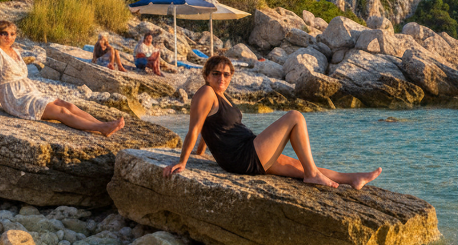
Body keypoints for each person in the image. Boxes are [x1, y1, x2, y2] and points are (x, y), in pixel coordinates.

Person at [163, 55, 381, 189]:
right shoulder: (206, 92)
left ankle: (353, 178)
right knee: (295, 116)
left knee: (303, 166)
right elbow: (194, 128)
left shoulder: (222, 97)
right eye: (217, 73)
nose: (222, 78)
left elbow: (209, 128)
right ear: (207, 76)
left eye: (227, 75)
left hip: (249, 150)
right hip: (243, 155)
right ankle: (313, 176)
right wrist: (184, 161)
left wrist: (201, 153)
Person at [0, 20, 125, 137]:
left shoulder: (14, 51)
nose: (9, 37)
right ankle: (102, 128)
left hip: (30, 91)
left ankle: (101, 125)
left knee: (67, 104)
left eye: (12, 34)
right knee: (61, 112)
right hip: (15, 97)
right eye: (4, 33)